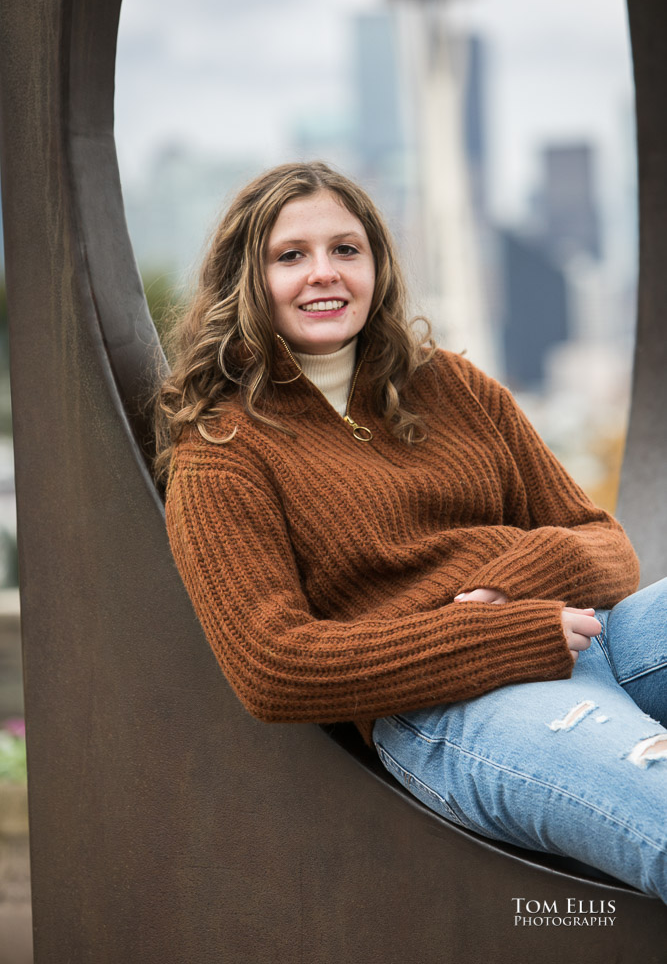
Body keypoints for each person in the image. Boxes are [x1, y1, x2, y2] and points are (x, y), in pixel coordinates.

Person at [155, 161, 667, 902]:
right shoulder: (222, 453)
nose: (322, 274)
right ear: (246, 280)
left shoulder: (450, 384)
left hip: (594, 636)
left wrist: (503, 589)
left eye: (345, 250)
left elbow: (605, 546)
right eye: (290, 256)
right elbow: (273, 667)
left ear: (377, 266)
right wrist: (490, 637)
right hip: (447, 710)